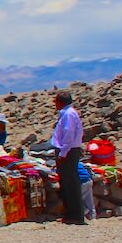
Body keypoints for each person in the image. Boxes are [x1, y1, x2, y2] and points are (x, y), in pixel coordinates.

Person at [51, 90, 86, 225]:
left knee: (71, 183)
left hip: (68, 151)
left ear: (60, 102)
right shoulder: (67, 113)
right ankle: (70, 213)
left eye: (55, 101)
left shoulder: (69, 115)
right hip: (68, 151)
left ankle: (76, 215)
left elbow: (68, 135)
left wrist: (62, 153)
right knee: (66, 183)